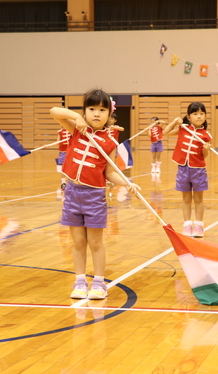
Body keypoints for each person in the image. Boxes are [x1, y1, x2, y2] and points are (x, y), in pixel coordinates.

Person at [50, 89, 140, 300]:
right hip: (72, 194)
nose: (96, 114)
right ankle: (80, 281)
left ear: (109, 114)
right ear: (85, 111)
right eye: (91, 109)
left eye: (102, 110)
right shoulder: (76, 130)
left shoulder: (110, 141)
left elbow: (109, 173)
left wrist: (127, 184)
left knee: (95, 242)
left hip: (94, 196)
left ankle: (99, 283)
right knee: (78, 242)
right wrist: (76, 117)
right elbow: (54, 111)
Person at [164, 102, 211, 237]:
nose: (199, 116)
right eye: (195, 114)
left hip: (198, 170)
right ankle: (187, 225)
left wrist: (206, 149)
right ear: (189, 117)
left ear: (205, 116)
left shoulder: (206, 135)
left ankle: (199, 226)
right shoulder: (183, 129)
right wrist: (175, 122)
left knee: (198, 199)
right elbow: (165, 132)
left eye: (201, 114)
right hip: (183, 169)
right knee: (186, 198)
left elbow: (204, 156)